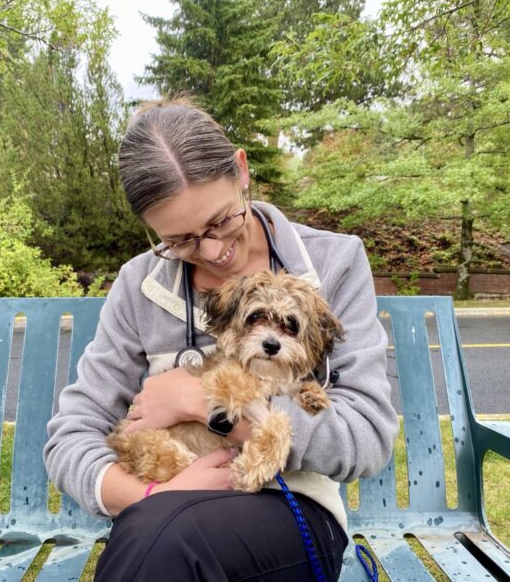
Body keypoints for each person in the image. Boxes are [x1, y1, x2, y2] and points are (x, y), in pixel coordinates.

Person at [44, 98, 399, 582]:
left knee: (165, 544)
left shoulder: (334, 263)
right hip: (157, 511)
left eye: (220, 221)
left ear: (242, 170)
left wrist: (211, 407)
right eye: (181, 240)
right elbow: (73, 434)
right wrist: (151, 497)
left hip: (290, 507)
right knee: (158, 534)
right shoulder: (137, 286)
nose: (212, 251)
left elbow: (368, 435)